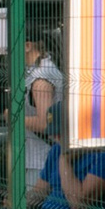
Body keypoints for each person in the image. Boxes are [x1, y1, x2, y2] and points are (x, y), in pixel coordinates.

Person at [21, 34, 63, 175]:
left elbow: (45, 123)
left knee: (29, 197)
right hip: (42, 158)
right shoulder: (39, 71)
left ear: (28, 46)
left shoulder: (41, 78)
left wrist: (12, 118)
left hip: (43, 161)